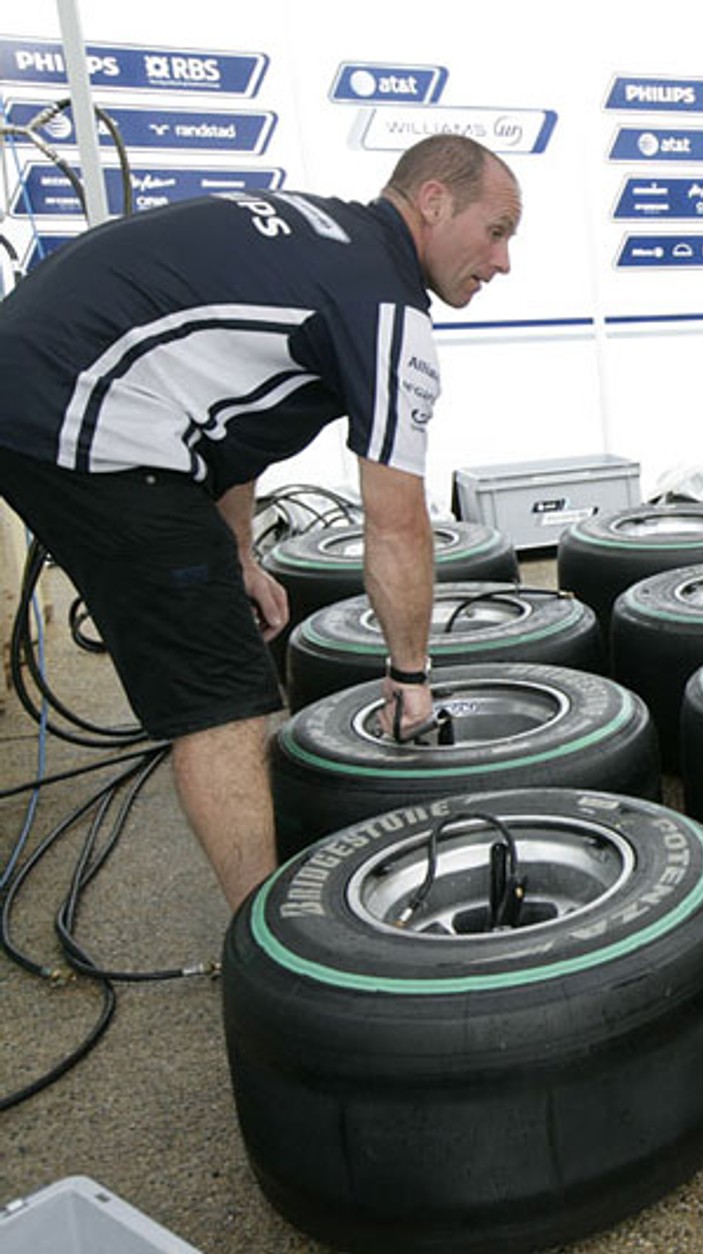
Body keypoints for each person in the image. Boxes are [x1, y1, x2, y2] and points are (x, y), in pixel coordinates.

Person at [0, 134, 521, 909]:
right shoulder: (381, 301)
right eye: (498, 230)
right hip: (79, 411)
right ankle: (269, 947)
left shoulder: (330, 244)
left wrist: (237, 549)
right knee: (225, 688)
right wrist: (410, 676)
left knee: (219, 623)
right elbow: (397, 523)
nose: (504, 262)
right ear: (434, 203)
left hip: (45, 382)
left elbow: (238, 430)